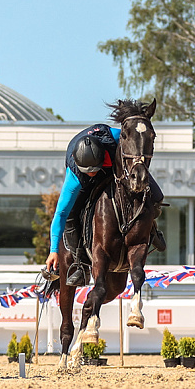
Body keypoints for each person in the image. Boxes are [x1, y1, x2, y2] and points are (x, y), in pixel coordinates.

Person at [43, 122, 164, 287]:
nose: (93, 173)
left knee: (157, 197)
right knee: (71, 213)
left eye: (94, 169)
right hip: (88, 178)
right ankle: (81, 263)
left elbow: (134, 136)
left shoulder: (114, 137)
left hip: (115, 166)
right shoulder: (75, 176)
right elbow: (60, 214)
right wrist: (54, 251)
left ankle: (153, 231)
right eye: (89, 171)